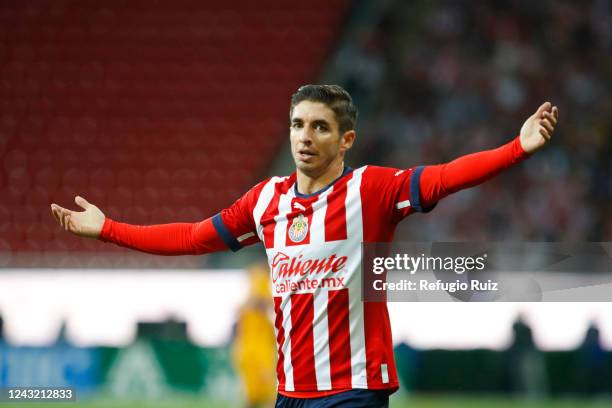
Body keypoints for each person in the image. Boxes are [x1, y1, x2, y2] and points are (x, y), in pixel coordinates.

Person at [51, 85, 559, 407]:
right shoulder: (265, 200)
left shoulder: (371, 190)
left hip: (355, 390)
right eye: (298, 124)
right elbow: (192, 236)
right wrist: (109, 228)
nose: (305, 136)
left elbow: (445, 177)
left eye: (320, 126)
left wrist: (516, 148)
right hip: (291, 394)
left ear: (346, 140)